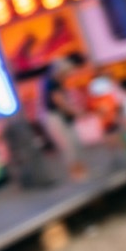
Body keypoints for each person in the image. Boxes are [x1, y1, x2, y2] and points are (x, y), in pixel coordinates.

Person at [40, 52, 89, 181]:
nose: (68, 75)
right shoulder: (52, 83)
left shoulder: (54, 82)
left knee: (74, 142)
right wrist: (76, 112)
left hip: (61, 116)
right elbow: (59, 102)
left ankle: (80, 170)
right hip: (55, 117)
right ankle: (77, 173)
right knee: (70, 145)